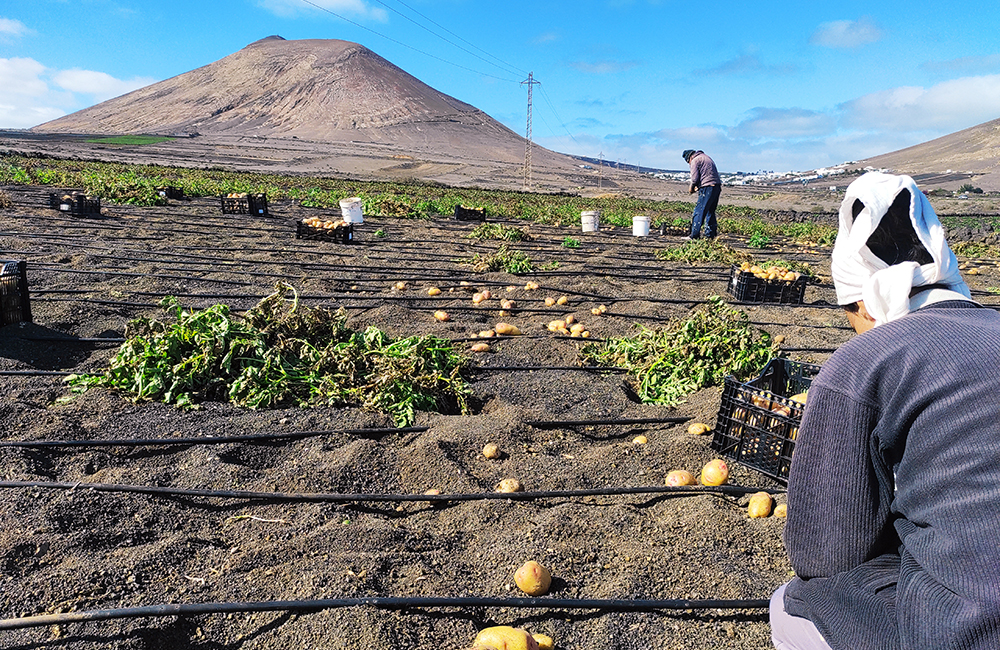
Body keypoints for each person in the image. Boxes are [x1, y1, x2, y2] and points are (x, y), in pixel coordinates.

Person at [769, 171, 1000, 650]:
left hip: (968, 630)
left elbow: (826, 555)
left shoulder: (863, 365)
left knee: (791, 605)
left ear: (865, 303)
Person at [682, 149, 721, 239]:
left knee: (699, 211)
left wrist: (691, 188)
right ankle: (710, 235)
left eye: (688, 162)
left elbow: (695, 179)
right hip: (716, 187)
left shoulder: (695, 160)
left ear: (689, 158)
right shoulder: (706, 157)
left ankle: (694, 235)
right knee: (710, 211)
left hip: (707, 187)